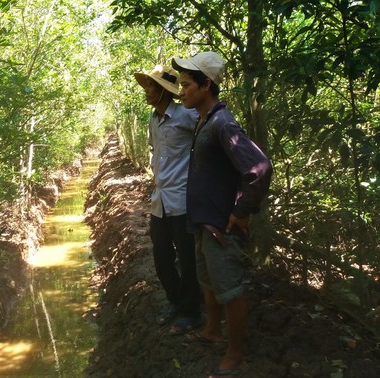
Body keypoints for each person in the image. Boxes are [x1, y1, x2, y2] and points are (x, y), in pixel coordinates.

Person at [171, 52, 272, 377]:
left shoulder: (222, 124)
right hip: (204, 222)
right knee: (208, 283)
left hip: (220, 226)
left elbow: (258, 169)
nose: (181, 91)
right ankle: (212, 331)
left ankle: (235, 355)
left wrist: (241, 214)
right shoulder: (204, 121)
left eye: (187, 85)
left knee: (228, 288)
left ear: (206, 85)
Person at [133, 64, 203, 334]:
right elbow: (156, 153)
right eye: (147, 86)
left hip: (183, 201)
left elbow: (205, 141)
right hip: (160, 201)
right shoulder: (153, 119)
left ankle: (191, 311)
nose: (147, 91)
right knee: (162, 257)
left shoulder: (186, 115)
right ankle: (176, 302)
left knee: (187, 259)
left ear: (164, 91)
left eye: (151, 86)